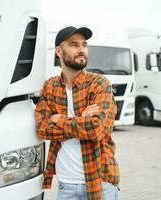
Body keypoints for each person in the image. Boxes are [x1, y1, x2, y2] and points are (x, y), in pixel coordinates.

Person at [35, 26, 119, 200]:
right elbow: (42, 129)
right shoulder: (50, 87)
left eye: (84, 45)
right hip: (67, 186)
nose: (81, 50)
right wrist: (81, 121)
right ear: (59, 51)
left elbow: (95, 130)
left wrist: (57, 118)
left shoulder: (100, 84)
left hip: (101, 183)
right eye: (74, 45)